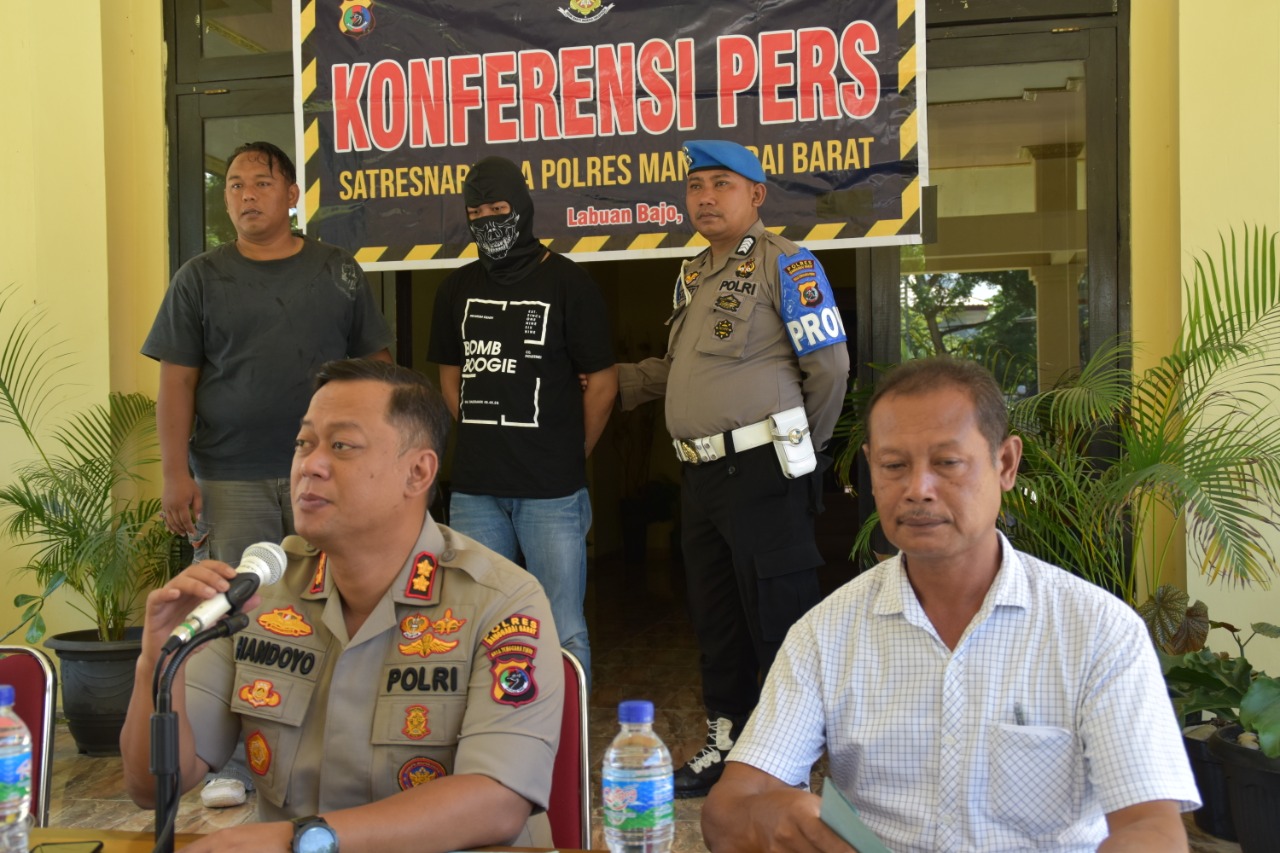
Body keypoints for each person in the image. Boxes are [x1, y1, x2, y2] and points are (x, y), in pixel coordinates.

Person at [701, 357, 1201, 852]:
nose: (918, 490)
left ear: (1005, 463)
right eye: (894, 466)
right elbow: (727, 812)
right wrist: (771, 814)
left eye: (947, 463)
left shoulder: (1099, 631)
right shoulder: (825, 633)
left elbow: (1151, 828)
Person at [120, 358, 565, 852]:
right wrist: (157, 664)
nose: (309, 464)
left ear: (417, 472)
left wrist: (300, 841)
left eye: (341, 446)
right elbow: (151, 787)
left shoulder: (500, 602)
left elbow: (495, 802)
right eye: (303, 443)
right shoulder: (263, 590)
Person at [141, 140, 393, 807]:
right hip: (228, 475)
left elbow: (377, 368)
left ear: (290, 195)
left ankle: (334, 746)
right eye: (233, 184)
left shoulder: (338, 271)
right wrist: (175, 472)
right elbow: (177, 380)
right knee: (235, 615)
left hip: (328, 477)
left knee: (335, 608)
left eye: (259, 182)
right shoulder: (200, 276)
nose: (245, 194)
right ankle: (232, 756)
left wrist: (373, 466)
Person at [617, 140, 850, 798]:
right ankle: (727, 742)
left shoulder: (789, 265)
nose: (705, 196)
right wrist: (614, 381)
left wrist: (807, 455)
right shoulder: (691, 273)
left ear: (756, 195)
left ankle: (786, 761)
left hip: (766, 470)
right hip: (701, 478)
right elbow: (679, 372)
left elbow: (828, 369)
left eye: (722, 183)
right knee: (715, 617)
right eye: (695, 185)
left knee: (778, 618)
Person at [427, 155, 617, 686]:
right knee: (476, 623)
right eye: (477, 210)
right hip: (475, 491)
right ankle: (495, 740)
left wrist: (572, 450)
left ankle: (566, 753)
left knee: (563, 627)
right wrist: (483, 431)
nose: (488, 219)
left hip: (551, 493)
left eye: (499, 207)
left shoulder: (569, 284)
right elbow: (450, 375)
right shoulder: (455, 289)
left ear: (524, 207)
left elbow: (602, 383)